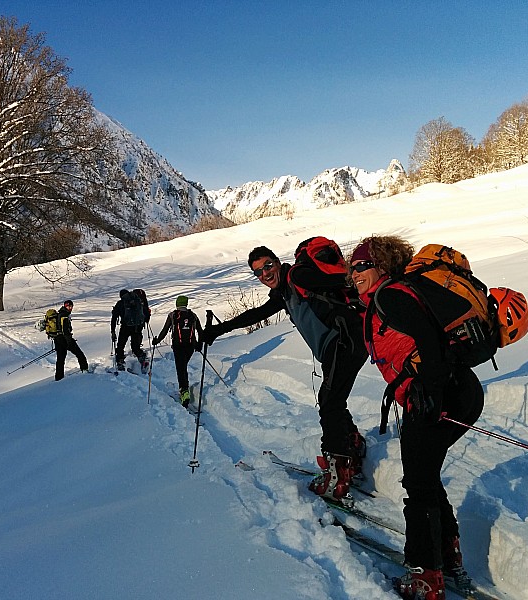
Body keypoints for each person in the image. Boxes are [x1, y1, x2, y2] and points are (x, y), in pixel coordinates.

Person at [348, 235, 484, 600]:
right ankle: (447, 555)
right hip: (453, 392)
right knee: (424, 476)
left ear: (381, 266)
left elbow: (428, 340)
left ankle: (425, 575)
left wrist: (432, 394)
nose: (355, 272)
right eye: (352, 267)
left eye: (362, 265)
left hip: (440, 395)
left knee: (419, 484)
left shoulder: (391, 295)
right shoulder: (386, 298)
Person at [201, 244, 368, 500]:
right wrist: (217, 331)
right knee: (331, 399)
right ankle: (351, 446)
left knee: (330, 403)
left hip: (345, 342)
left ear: (278, 262)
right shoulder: (283, 293)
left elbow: (339, 277)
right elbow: (254, 315)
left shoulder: (297, 276)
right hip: (339, 345)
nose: (265, 274)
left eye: (268, 265)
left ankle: (339, 471)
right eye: (259, 272)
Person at [152, 295, 204, 408]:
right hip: (190, 346)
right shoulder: (193, 316)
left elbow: (165, 330)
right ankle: (184, 388)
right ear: (186, 303)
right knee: (183, 367)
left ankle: (184, 392)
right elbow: (200, 331)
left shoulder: (173, 315)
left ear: (177, 304)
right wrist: (199, 344)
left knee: (181, 368)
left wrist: (157, 341)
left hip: (178, 346)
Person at [110, 288, 150, 371]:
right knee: (135, 347)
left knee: (120, 346)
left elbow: (114, 318)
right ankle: (143, 359)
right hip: (137, 327)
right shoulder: (137, 301)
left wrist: (113, 331)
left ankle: (120, 362)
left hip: (125, 327)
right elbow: (145, 313)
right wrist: (144, 322)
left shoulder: (120, 303)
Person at [52, 299, 88, 381]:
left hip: (57, 339)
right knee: (79, 354)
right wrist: (69, 341)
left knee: (60, 360)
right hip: (64, 339)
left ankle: (59, 378)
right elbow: (65, 330)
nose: (70, 308)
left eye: (71, 306)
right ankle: (85, 370)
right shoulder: (64, 315)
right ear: (65, 306)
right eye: (68, 306)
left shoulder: (60, 314)